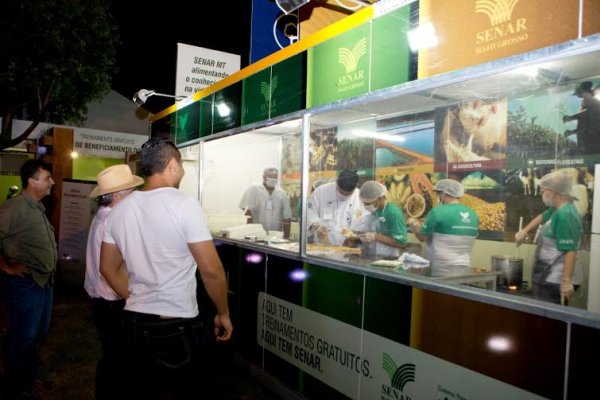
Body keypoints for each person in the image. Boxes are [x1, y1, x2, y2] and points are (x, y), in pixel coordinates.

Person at [99, 138, 233, 399]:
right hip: (174, 326)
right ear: (172, 165)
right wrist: (223, 313)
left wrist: (138, 299)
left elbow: (107, 267)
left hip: (132, 324)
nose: (182, 172)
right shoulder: (185, 205)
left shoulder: (118, 211)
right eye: (181, 166)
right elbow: (211, 270)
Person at [84, 164, 143, 400]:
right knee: (118, 358)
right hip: (112, 299)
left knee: (112, 355)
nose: (135, 195)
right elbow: (111, 269)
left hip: (102, 298)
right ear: (117, 195)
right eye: (131, 191)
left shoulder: (102, 216)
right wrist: (135, 299)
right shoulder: (114, 222)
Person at [0, 159, 57, 399]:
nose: (52, 182)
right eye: (47, 178)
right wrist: (7, 267)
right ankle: (16, 386)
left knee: (37, 333)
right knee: (23, 336)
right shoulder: (15, 207)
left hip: (42, 283)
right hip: (25, 284)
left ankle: (28, 377)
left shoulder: (36, 206)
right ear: (32, 181)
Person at [515, 170, 583, 305]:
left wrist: (565, 282)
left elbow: (570, 250)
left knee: (548, 316)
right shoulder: (557, 208)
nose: (541, 195)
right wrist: (524, 230)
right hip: (548, 276)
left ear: (552, 192)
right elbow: (542, 216)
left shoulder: (565, 215)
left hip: (556, 279)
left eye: (542, 191)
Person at [409, 179, 479, 277]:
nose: (438, 197)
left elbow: (422, 237)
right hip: (464, 271)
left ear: (444, 194)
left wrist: (414, 223)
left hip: (439, 271)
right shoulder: (472, 213)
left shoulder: (438, 211)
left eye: (438, 194)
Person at [306, 169, 367, 245]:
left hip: (349, 247)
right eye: (341, 192)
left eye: (348, 194)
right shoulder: (321, 192)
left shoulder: (361, 197)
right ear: (336, 183)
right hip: (323, 245)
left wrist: (356, 239)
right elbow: (309, 214)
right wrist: (316, 227)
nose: (344, 196)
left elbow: (364, 223)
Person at [353, 180, 408, 257]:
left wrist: (375, 236)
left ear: (379, 198)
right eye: (364, 203)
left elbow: (402, 244)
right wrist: (358, 236)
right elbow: (371, 231)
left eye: (368, 203)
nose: (365, 206)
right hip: (371, 257)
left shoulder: (393, 213)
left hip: (389, 259)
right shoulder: (373, 211)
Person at [239, 167, 292, 238]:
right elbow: (245, 210)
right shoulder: (254, 189)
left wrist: (286, 237)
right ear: (264, 177)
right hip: (256, 235)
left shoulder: (282, 194)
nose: (273, 179)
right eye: (270, 177)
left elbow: (287, 218)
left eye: (275, 177)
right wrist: (248, 231)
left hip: (276, 236)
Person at [562, 81, 600, 155]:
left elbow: (592, 126)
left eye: (578, 95)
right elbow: (586, 117)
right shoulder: (590, 104)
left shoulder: (593, 104)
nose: (582, 99)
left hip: (593, 146)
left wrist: (573, 130)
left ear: (584, 93)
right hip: (588, 146)